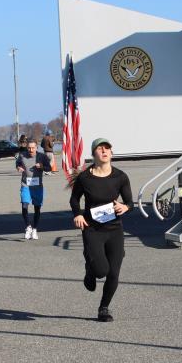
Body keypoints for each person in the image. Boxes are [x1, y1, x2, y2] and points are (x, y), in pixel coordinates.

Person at [70, 138, 133, 322]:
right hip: (92, 230)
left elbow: (130, 202)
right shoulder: (85, 178)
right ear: (93, 154)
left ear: (111, 153)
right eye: (100, 148)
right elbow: (74, 199)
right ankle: (90, 269)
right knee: (100, 271)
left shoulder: (120, 177)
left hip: (114, 230)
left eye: (107, 148)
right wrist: (78, 214)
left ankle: (103, 308)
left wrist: (125, 207)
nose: (104, 151)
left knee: (113, 273)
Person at [17, 140, 51, 240]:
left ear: (36, 147)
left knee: (37, 208)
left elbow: (49, 168)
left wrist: (42, 166)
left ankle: (35, 229)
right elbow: (18, 163)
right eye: (29, 148)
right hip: (26, 185)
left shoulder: (42, 156)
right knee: (24, 205)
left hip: (37, 186)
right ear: (27, 147)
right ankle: (28, 227)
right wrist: (18, 167)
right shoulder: (22, 155)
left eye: (33, 148)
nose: (31, 150)